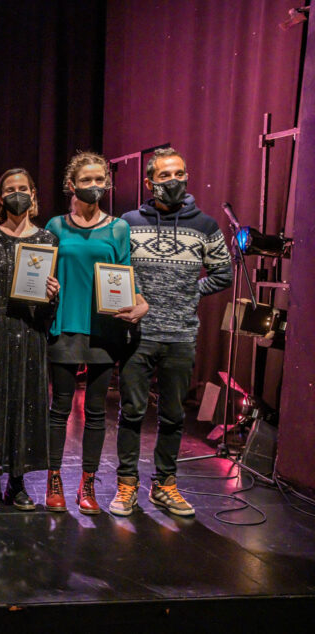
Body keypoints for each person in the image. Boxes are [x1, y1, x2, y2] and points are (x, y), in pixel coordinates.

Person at [110, 148, 232, 517]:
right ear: (149, 182)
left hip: (180, 335)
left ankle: (164, 485)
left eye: (179, 173)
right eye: (165, 176)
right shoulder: (127, 222)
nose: (174, 181)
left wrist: (190, 291)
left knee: (174, 414)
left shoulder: (206, 226)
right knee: (132, 411)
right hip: (137, 334)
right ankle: (126, 485)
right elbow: (112, 270)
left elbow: (223, 273)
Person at [44, 151, 149, 515]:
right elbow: (42, 272)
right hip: (65, 326)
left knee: (95, 412)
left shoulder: (119, 228)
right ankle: (53, 479)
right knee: (59, 408)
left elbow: (125, 274)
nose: (93, 186)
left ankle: (86, 483)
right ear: (71, 185)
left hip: (104, 328)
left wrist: (141, 303)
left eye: (99, 179)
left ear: (107, 183)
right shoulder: (56, 226)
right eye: (85, 180)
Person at [0, 168, 59, 511]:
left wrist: (53, 295)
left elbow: (49, 306)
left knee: (25, 405)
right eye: (10, 189)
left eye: (23, 188)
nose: (16, 194)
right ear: (0, 197)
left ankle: (18, 483)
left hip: (31, 331)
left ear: (33, 195)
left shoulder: (48, 240)